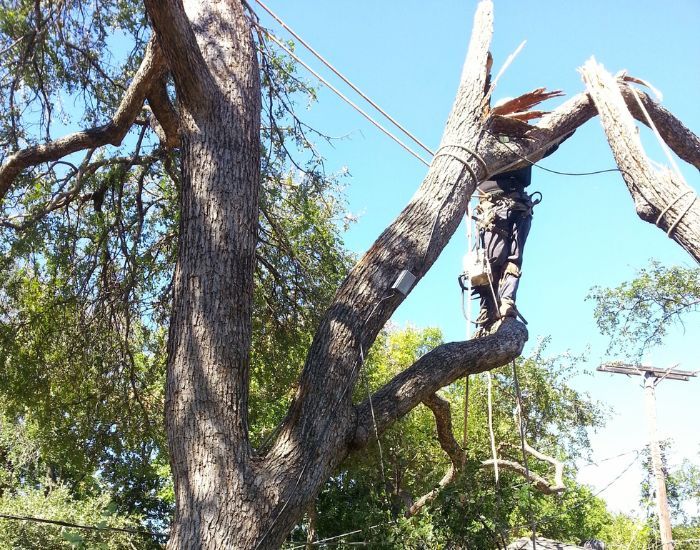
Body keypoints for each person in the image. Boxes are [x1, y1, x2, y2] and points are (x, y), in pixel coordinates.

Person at [472, 164, 537, 335]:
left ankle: (506, 303)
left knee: (512, 261)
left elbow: (551, 144)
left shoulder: (528, 140)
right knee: (493, 262)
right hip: (494, 204)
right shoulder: (487, 140)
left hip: (518, 205)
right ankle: (490, 310)